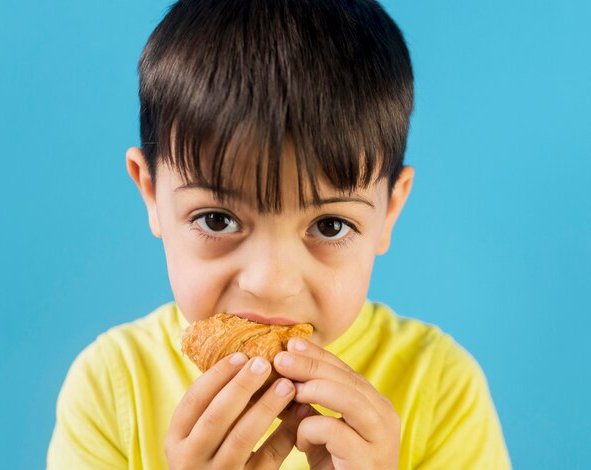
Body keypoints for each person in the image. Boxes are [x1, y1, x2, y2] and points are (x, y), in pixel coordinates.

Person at [47, 0, 511, 468]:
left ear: (389, 212)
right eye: (216, 220)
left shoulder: (440, 386)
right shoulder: (111, 386)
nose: (269, 281)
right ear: (151, 195)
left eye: (329, 226)